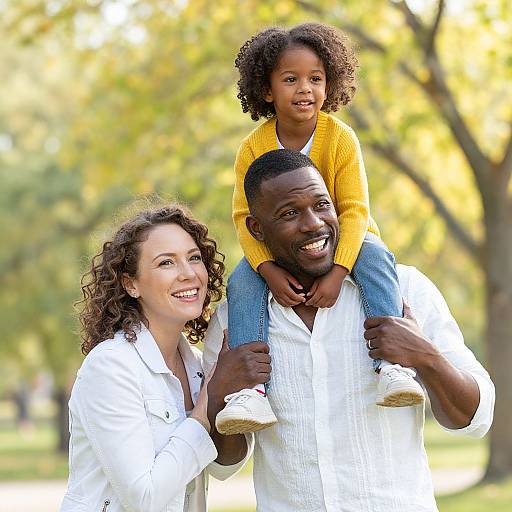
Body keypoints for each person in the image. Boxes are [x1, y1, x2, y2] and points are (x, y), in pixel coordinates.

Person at [203, 150, 495, 511]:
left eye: (322, 205)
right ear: (256, 229)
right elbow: (223, 464)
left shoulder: (404, 291)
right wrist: (218, 396)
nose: (314, 223)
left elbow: (475, 420)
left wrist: (426, 357)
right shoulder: (237, 321)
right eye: (290, 213)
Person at [218, 22, 423, 435]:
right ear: (266, 89)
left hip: (346, 239)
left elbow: (353, 210)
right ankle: (251, 393)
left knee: (377, 255)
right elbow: (244, 218)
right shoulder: (252, 148)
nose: (305, 89)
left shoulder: (340, 139)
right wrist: (267, 270)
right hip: (279, 249)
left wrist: (339, 271)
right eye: (290, 80)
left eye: (316, 79)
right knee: (240, 282)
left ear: (330, 84)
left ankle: (392, 367)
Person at [60, 205, 271, 512]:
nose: (188, 273)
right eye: (166, 263)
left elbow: (223, 468)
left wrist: (223, 397)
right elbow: (144, 496)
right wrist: (202, 410)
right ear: (131, 284)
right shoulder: (110, 366)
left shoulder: (197, 364)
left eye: (194, 257)